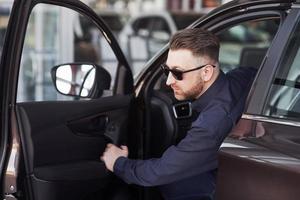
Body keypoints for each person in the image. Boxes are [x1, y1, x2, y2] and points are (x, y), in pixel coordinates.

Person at [101, 28, 256, 200]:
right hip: (235, 173)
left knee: (171, 183)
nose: (168, 81)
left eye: (177, 73)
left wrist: (118, 163)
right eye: (167, 71)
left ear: (206, 72)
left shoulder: (211, 124)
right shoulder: (243, 75)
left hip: (225, 187)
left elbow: (159, 172)